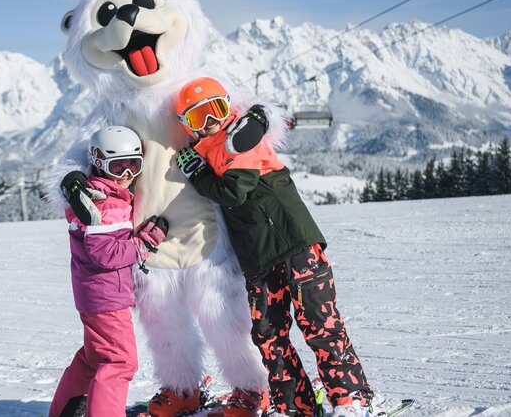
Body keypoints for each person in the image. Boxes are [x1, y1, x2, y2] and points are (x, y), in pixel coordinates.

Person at [173, 77, 373, 417]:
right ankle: (296, 407)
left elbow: (234, 191)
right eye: (198, 118)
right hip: (258, 259)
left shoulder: (242, 137)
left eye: (215, 111)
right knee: (267, 334)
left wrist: (199, 174)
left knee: (320, 323)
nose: (210, 123)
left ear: (227, 106)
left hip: (295, 243)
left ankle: (351, 400)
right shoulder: (205, 151)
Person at [49, 126, 171, 417]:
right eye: (118, 166)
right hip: (106, 296)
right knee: (120, 361)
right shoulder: (107, 205)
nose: (127, 174)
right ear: (99, 162)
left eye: (134, 165)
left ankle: (63, 412)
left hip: (92, 293)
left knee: (93, 357)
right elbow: (107, 254)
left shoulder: (94, 195)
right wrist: (147, 240)